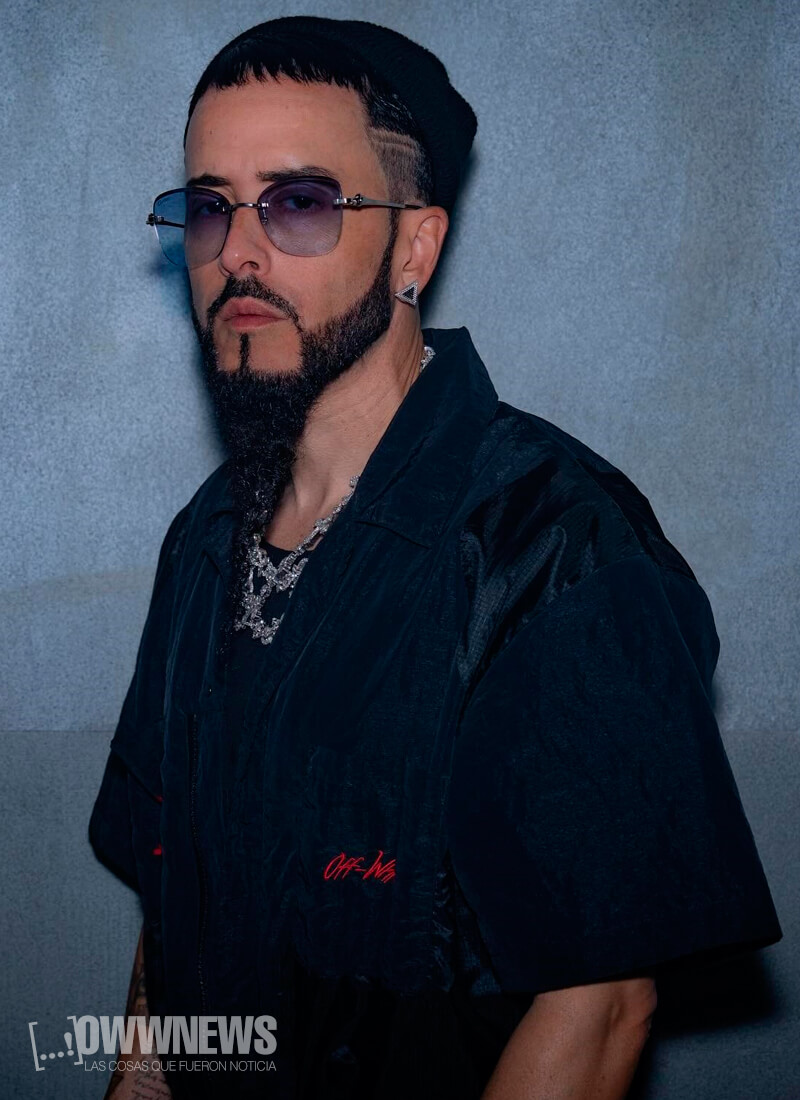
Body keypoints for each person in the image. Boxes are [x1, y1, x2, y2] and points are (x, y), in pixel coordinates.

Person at [89, 15, 782, 1100]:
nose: (239, 253)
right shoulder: (205, 537)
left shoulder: (553, 546)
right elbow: (172, 905)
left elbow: (599, 1009)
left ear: (413, 248)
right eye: (212, 205)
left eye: (300, 202)